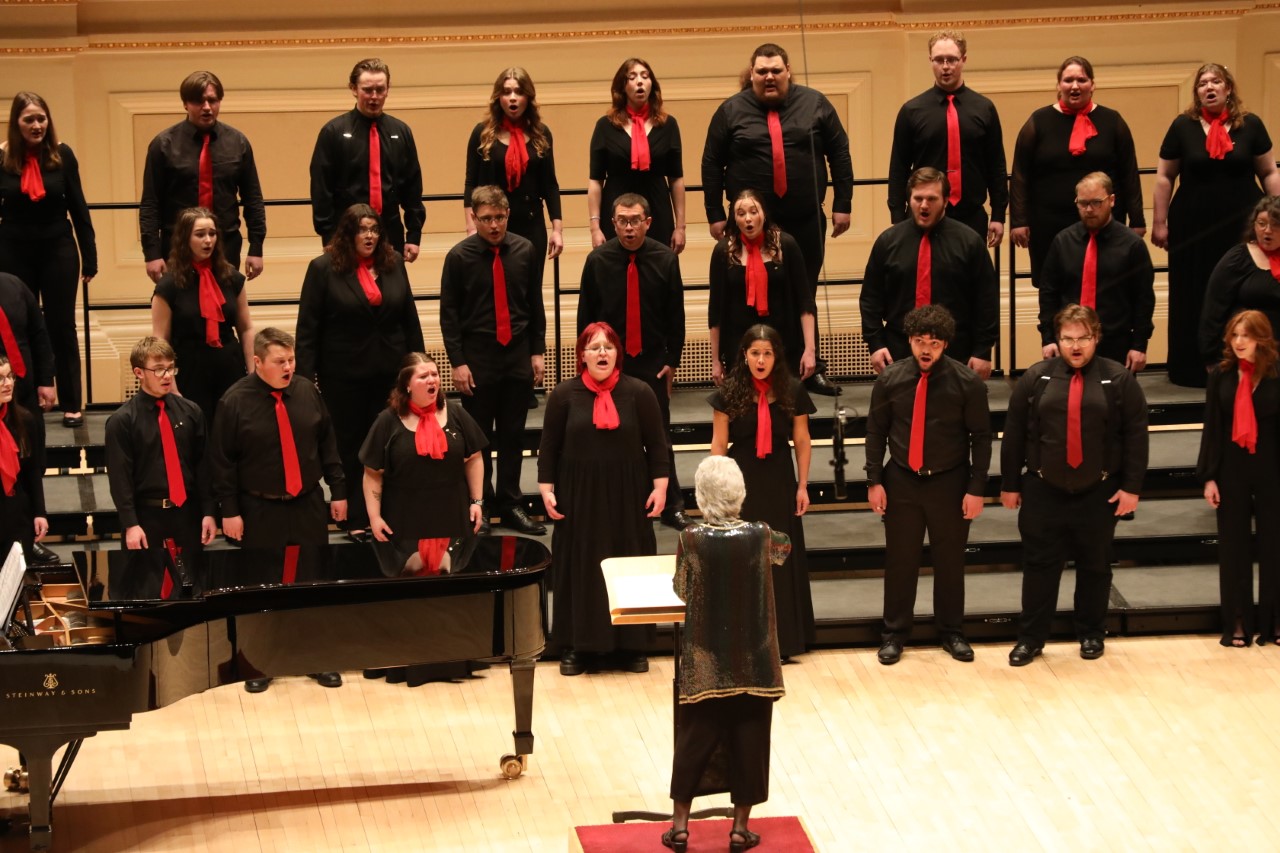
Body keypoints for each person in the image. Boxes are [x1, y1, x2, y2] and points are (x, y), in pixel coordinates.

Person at [701, 42, 853, 396]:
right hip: (748, 222)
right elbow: (711, 163)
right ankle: (744, 372)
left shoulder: (816, 103)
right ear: (751, 74)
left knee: (804, 292)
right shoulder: (730, 111)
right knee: (744, 297)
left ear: (788, 72)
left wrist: (843, 202)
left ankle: (806, 367)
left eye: (775, 71)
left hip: (804, 219)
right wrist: (713, 213)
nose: (769, 77)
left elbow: (840, 153)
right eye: (761, 72)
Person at [1000, 304, 1148, 666]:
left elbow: (1136, 437)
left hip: (1098, 492)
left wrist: (1131, 487)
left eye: (1083, 338)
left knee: (1096, 566)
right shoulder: (1037, 378)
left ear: (1096, 337)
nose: (1075, 346)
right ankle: (1031, 639)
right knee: (1039, 567)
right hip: (1042, 489)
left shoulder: (1118, 380)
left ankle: (1092, 633)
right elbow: (1015, 434)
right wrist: (1009, 484)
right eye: (1068, 338)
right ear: (1057, 340)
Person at [207, 327, 348, 692]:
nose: (288, 367)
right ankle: (258, 663)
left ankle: (315, 657)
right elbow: (222, 462)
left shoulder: (307, 392)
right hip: (259, 508)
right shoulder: (234, 402)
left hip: (306, 503)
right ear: (257, 362)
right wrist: (230, 511)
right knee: (260, 586)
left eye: (291, 360)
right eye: (279, 361)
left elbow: (328, 443)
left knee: (314, 583)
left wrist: (339, 490)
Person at [665, 455, 788, 853]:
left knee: (694, 739)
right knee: (750, 739)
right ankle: (738, 830)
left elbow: (682, 590)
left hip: (705, 663)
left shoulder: (691, 540)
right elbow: (784, 552)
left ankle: (680, 828)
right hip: (755, 661)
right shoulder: (764, 534)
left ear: (702, 497)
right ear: (740, 494)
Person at [537, 322, 669, 675]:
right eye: (594, 347)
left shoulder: (639, 392)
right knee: (581, 567)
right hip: (578, 495)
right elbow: (549, 447)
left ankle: (632, 646)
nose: (601, 353)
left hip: (628, 494)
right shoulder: (564, 395)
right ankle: (577, 645)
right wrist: (546, 489)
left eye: (608, 347)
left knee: (629, 563)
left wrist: (660, 487)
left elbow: (657, 445)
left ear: (617, 354)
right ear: (582, 355)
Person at [865, 305, 991, 665]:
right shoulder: (890, 380)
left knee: (950, 562)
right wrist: (875, 480)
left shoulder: (967, 383)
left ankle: (952, 632)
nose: (925, 349)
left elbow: (981, 438)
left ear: (945, 344)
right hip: (902, 479)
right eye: (919, 341)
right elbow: (876, 432)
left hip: (950, 482)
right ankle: (894, 634)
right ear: (909, 340)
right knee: (900, 561)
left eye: (933, 343)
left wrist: (977, 488)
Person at [296, 204, 424, 541]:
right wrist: (305, 382)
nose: (369, 235)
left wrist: (419, 367)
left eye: (374, 229)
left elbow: (409, 318)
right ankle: (355, 514)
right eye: (362, 229)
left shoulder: (393, 264)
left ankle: (387, 512)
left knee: (390, 443)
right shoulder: (323, 269)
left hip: (390, 375)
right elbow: (307, 329)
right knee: (351, 446)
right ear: (348, 234)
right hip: (344, 376)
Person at [361, 353, 486, 683]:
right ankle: (406, 660)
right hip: (406, 516)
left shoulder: (455, 415)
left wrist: (477, 501)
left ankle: (452, 660)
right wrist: (374, 517)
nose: (432, 380)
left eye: (434, 374)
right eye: (423, 376)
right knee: (409, 592)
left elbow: (474, 458)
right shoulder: (388, 421)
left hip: (451, 512)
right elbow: (372, 473)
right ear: (406, 385)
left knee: (451, 589)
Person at [1153, 63, 1280, 388]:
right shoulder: (1183, 126)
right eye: (1202, 83)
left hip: (1242, 225)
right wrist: (1159, 222)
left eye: (1216, 82)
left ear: (1228, 88)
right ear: (1196, 92)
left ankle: (1248, 362)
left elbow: (1268, 172)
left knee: (1242, 292)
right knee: (1191, 291)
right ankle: (1192, 368)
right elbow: (1165, 177)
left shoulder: (1250, 125)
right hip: (1192, 226)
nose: (1209, 87)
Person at [577, 192, 689, 529]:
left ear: (648, 222)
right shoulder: (598, 261)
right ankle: (617, 502)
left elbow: (676, 317)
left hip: (652, 362)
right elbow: (587, 318)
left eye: (635, 221)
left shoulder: (665, 259)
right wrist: (589, 364)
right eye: (622, 222)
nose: (629, 228)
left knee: (659, 437)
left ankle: (672, 505)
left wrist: (672, 360)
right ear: (613, 224)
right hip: (610, 365)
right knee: (611, 436)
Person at [440, 186, 546, 535]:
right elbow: (449, 315)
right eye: (486, 219)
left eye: (499, 218)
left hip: (516, 355)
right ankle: (480, 505)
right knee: (479, 438)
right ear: (474, 218)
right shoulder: (459, 257)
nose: (494, 225)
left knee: (514, 435)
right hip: (478, 357)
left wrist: (537, 351)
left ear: (507, 215)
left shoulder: (525, 251)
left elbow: (534, 305)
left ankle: (511, 502)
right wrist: (457, 362)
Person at [709, 324, 815, 659]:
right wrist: (718, 491)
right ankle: (742, 639)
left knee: (778, 557)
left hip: (780, 480)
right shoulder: (728, 393)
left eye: (767, 353)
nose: (761, 359)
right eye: (755, 352)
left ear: (776, 357)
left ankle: (783, 640)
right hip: (741, 482)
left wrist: (802, 486)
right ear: (744, 355)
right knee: (743, 558)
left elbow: (801, 440)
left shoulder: (792, 391)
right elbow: (718, 444)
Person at [0, 92, 95, 428]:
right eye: (30, 119)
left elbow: (79, 207)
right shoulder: (3, 158)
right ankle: (21, 400)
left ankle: (71, 403)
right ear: (17, 123)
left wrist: (90, 256)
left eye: (42, 118)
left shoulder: (62, 155)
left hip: (58, 249)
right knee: (16, 327)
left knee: (61, 326)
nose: (38, 125)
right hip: (13, 251)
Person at [1010, 57, 1145, 289]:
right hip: (1048, 223)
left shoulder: (1112, 121)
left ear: (1092, 85)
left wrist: (1138, 219)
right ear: (1058, 85)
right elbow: (1020, 173)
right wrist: (1019, 220)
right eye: (1068, 80)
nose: (1075, 86)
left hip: (1103, 222)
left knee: (1105, 285)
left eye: (1081, 80)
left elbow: (1129, 173)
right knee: (1054, 288)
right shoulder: (1038, 121)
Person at [860, 167, 998, 378]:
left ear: (945, 200)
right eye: (918, 198)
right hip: (899, 352)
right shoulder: (888, 242)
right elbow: (871, 299)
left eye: (932, 199)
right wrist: (875, 344)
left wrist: (983, 351)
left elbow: (986, 300)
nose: (924, 205)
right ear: (909, 199)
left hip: (956, 352)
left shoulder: (969, 242)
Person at [105, 338, 216, 590]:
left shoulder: (191, 412)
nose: (167, 375)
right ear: (139, 373)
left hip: (186, 514)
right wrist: (131, 524)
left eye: (170, 368)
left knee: (193, 587)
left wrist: (209, 511)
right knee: (147, 587)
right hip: (147, 516)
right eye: (158, 369)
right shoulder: (122, 421)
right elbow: (120, 479)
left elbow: (202, 467)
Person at [1197, 310, 1280, 647]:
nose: (1240, 342)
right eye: (1235, 335)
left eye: (1247, 335)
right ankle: (1238, 622)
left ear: (1262, 338)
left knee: (1276, 547)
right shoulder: (1221, 375)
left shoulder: (1276, 373)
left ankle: (1274, 622)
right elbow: (1212, 428)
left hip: (1273, 468)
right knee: (1233, 550)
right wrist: (1209, 478)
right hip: (1231, 469)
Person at [139, 71, 266, 284]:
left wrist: (256, 247)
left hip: (225, 244)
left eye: (212, 100)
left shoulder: (238, 142)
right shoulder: (163, 145)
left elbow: (253, 199)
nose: (207, 107)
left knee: (225, 311)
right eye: (199, 101)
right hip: (177, 246)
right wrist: (151, 253)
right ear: (185, 104)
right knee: (181, 312)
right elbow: (150, 203)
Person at [887, 30, 1007, 247]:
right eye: (939, 60)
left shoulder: (984, 108)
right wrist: (897, 216)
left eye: (952, 59)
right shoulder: (911, 110)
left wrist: (998, 214)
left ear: (964, 60)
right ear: (930, 61)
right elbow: (899, 167)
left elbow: (996, 165)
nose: (945, 66)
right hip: (924, 215)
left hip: (971, 214)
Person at [1038, 172, 1155, 371]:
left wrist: (1139, 345)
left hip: (1115, 344)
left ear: (1112, 200)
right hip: (1068, 344)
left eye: (1096, 202)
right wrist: (1048, 339)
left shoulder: (1132, 245)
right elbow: (1048, 294)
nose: (1089, 209)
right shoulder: (1062, 241)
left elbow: (1143, 299)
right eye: (1083, 203)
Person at [310, 58, 425, 260]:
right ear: (353, 89)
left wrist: (414, 235)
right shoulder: (333, 131)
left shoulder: (401, 131)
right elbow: (321, 188)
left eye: (380, 90)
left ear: (388, 89)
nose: (374, 97)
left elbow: (412, 188)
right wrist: (328, 237)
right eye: (367, 89)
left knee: (391, 291)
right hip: (345, 234)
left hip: (389, 233)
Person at [151, 207, 254, 425]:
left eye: (212, 233)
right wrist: (170, 384)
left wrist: (253, 375)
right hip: (189, 370)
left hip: (229, 368)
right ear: (184, 239)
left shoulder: (232, 278)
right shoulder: (169, 285)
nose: (208, 240)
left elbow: (246, 329)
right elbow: (161, 339)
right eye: (200, 235)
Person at [464, 67, 563, 289]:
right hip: (492, 225)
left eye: (518, 92)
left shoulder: (541, 134)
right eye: (507, 92)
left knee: (529, 292)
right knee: (493, 289)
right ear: (498, 97)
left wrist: (557, 230)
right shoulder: (482, 133)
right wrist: (471, 228)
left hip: (531, 226)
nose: (512, 98)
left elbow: (550, 185)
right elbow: (471, 183)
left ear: (528, 96)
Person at [708, 189, 815, 387]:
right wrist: (715, 360)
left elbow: (805, 302)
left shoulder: (786, 245)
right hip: (738, 347)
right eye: (741, 214)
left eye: (753, 212)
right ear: (734, 218)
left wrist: (810, 350)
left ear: (764, 214)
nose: (748, 219)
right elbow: (715, 311)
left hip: (782, 345)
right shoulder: (723, 251)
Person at [587, 58, 686, 252]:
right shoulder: (605, 126)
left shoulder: (668, 125)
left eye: (645, 76)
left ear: (652, 84)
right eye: (632, 77)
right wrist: (594, 228)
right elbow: (595, 181)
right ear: (622, 87)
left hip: (658, 211)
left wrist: (680, 227)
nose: (639, 81)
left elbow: (676, 179)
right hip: (617, 213)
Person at [1199, 197, 1280, 371]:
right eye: (1261, 223)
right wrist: (1211, 358)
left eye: (1275, 225)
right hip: (1248, 356)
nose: (1267, 230)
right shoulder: (1238, 258)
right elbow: (1214, 310)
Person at [0, 355, 48, 566]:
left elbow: (32, 470)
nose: (8, 383)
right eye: (0, 378)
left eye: (10, 376)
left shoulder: (25, 420)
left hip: (17, 515)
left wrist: (39, 512)